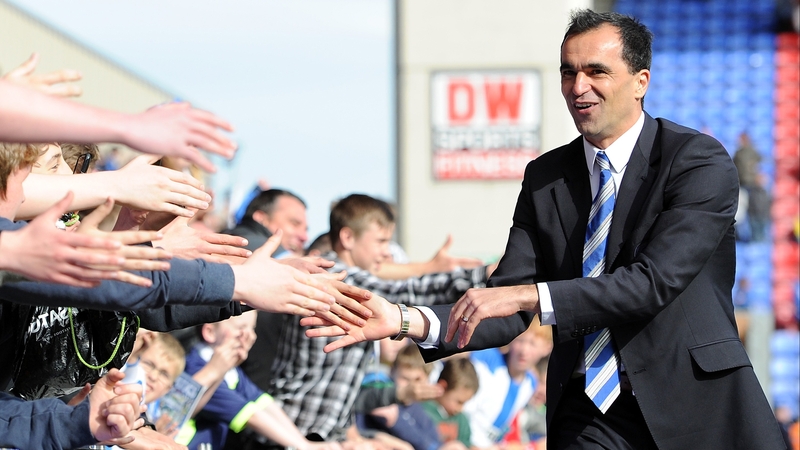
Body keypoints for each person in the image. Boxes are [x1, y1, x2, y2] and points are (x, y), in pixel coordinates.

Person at [304, 9, 786, 450]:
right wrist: (407, 321)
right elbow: (502, 304)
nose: (578, 86)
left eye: (596, 71)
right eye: (567, 71)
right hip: (586, 413)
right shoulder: (545, 177)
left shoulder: (696, 160)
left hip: (692, 408)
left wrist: (530, 296)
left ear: (640, 81)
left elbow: (651, 283)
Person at [269, 193, 493, 443]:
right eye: (381, 241)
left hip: (317, 430)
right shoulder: (332, 275)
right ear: (348, 238)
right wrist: (480, 276)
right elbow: (403, 291)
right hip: (292, 429)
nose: (386, 252)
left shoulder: (349, 275)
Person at [178, 311, 341, 450]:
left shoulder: (231, 372)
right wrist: (304, 446)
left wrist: (303, 441)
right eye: (241, 328)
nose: (251, 337)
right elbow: (250, 415)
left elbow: (263, 403)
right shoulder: (199, 368)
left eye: (253, 329)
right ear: (210, 332)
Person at [421, 358, 478, 449]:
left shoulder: (461, 420)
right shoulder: (421, 410)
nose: (460, 408)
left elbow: (466, 444)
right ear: (442, 387)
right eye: (459, 402)